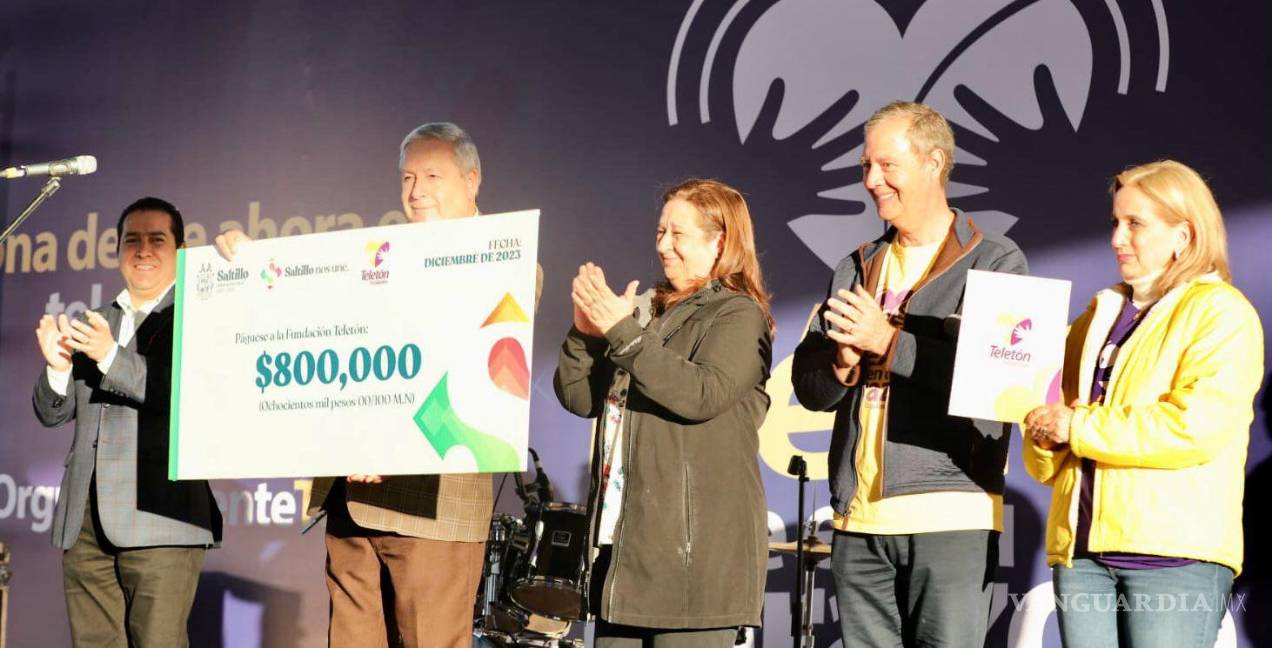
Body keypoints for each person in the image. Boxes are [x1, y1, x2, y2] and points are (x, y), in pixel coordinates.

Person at [216, 121, 518, 647]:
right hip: (351, 500)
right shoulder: (375, 257)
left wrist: (390, 442)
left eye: (432, 176)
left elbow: (474, 369)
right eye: (407, 178)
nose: (416, 191)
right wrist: (249, 265)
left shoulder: (505, 259)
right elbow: (311, 328)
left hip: (431, 508)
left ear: (472, 179)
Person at [791, 101, 1028, 647]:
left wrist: (886, 341)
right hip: (858, 521)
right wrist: (842, 362)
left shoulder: (995, 260)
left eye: (887, 165)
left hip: (949, 511)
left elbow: (1001, 383)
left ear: (933, 162)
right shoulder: (855, 265)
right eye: (865, 166)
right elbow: (811, 389)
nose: (871, 180)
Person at [1023, 160, 1263, 647]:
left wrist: (1076, 427)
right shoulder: (1095, 318)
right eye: (1115, 222)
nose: (1118, 238)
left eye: (1135, 223)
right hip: (1082, 557)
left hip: (1173, 557)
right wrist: (1045, 435)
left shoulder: (1222, 313)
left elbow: (1194, 427)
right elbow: (1055, 436)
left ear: (1183, 235)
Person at [554, 178, 772, 647]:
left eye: (678, 234)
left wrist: (622, 332)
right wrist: (585, 334)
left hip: (695, 565)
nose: (663, 246)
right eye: (660, 232)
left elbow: (701, 393)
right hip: (625, 555)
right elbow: (579, 399)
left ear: (719, 243)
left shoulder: (738, 315)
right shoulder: (646, 314)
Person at [33, 197, 222, 648]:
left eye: (157, 239)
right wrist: (57, 369)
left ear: (181, 250)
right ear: (117, 250)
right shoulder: (96, 320)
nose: (143, 250)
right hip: (85, 522)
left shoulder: (203, 315)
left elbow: (188, 396)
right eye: (132, 240)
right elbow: (52, 413)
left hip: (161, 516)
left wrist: (110, 356)